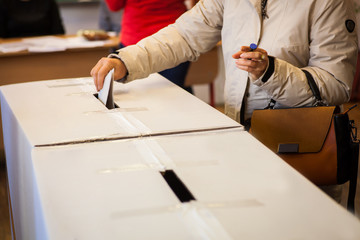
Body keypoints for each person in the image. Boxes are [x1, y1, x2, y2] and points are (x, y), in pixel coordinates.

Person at [91, 0, 358, 200]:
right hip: (240, 142)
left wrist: (272, 72)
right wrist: (126, 59)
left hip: (302, 151)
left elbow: (336, 84)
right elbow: (184, 35)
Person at [103, 0, 198, 93]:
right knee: (175, 93)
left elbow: (114, 5)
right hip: (175, 35)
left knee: (137, 96)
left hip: (136, 36)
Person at [0, 0, 65, 38]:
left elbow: (59, 31)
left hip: (47, 50)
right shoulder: (4, 3)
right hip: (13, 51)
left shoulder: (49, 2)